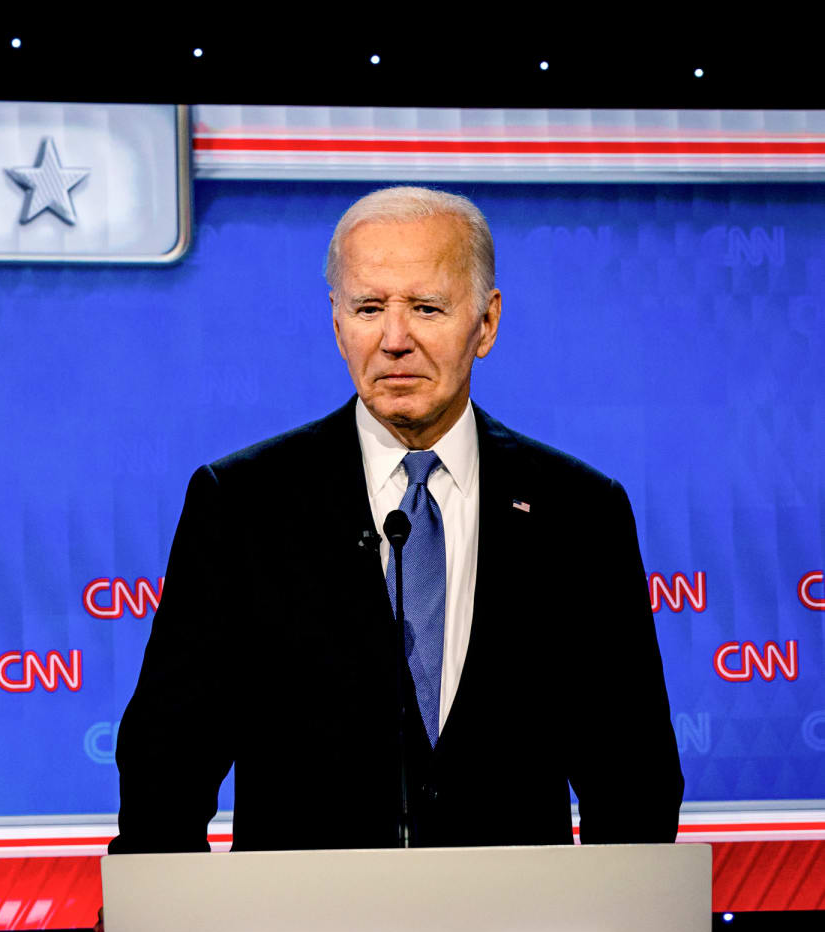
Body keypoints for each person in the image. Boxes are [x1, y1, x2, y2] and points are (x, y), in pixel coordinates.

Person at [107, 186, 684, 858]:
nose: (395, 339)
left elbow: (635, 778)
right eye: (369, 308)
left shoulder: (578, 512)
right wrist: (170, 923)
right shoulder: (242, 504)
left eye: (427, 308)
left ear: (487, 323)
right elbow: (166, 765)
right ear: (336, 323)